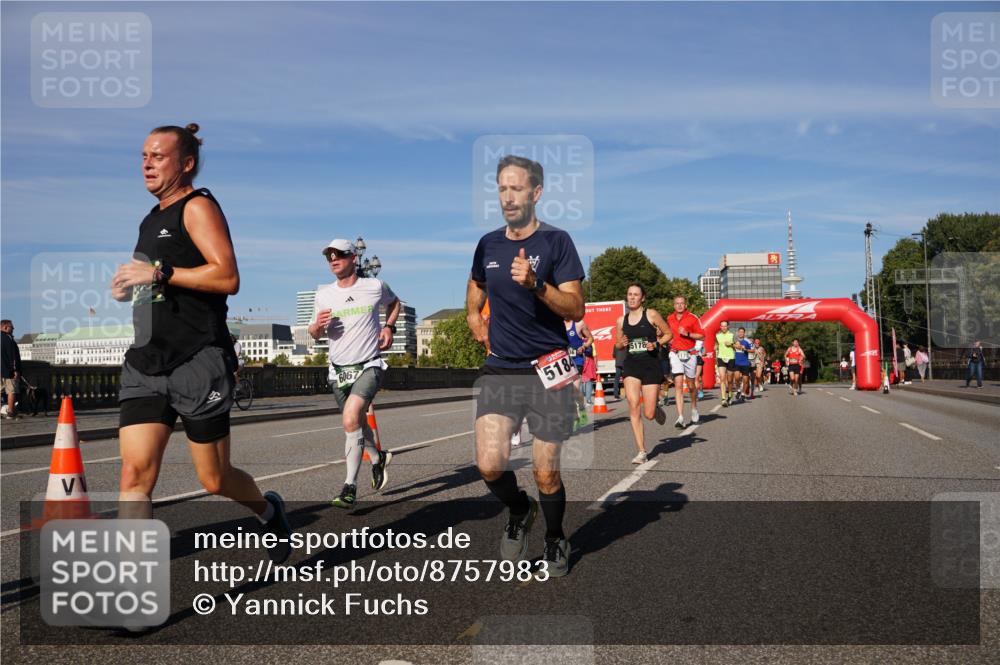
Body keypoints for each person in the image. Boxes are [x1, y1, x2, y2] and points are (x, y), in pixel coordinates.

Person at [109, 123, 291, 562]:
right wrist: (129, 286)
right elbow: (160, 286)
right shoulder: (150, 219)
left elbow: (227, 277)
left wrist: (156, 273)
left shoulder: (197, 207)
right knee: (134, 475)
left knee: (215, 479)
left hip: (197, 361)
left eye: (158, 156)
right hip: (146, 363)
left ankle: (268, 511)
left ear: (186, 163)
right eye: (143, 156)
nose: (147, 164)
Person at [466, 154, 585, 578]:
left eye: (517, 188)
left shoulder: (557, 243)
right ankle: (520, 509)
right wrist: (472, 315)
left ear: (536, 193)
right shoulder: (489, 244)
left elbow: (575, 306)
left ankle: (555, 537)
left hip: (547, 367)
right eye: (502, 189)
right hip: (501, 367)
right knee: (489, 465)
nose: (508, 197)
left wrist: (537, 286)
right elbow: (477, 283)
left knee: (545, 470)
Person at [311, 239, 400, 509]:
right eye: (329, 257)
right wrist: (318, 326)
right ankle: (378, 458)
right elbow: (314, 334)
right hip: (338, 370)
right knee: (357, 424)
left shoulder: (374, 286)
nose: (333, 260)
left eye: (339, 255)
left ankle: (349, 486)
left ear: (353, 258)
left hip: (369, 364)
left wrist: (389, 328)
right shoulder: (324, 294)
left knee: (351, 420)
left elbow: (394, 304)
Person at [614, 284, 672, 464]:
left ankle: (655, 408)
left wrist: (656, 344)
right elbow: (618, 344)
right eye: (629, 294)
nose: (632, 297)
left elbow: (669, 334)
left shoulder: (651, 314)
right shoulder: (620, 320)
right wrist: (621, 343)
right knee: (632, 404)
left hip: (650, 365)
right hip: (631, 365)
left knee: (648, 413)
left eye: (635, 295)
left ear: (642, 298)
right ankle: (642, 451)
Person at [665, 295, 705, 427]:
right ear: (674, 305)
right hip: (675, 353)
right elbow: (667, 334)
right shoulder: (669, 318)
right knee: (678, 384)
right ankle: (680, 417)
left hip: (690, 354)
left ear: (685, 305)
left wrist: (688, 334)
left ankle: (694, 408)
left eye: (682, 303)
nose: (680, 305)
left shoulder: (693, 318)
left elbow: (702, 336)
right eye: (677, 303)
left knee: (691, 385)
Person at [565, 318, 594, 425]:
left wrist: (584, 346)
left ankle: (581, 409)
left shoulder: (579, 324)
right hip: (563, 363)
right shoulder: (556, 325)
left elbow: (591, 338)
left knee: (575, 390)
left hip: (577, 361)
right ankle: (573, 416)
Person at [1, 320, 22, 420]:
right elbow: (12, 356)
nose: (13, 329)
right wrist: (15, 370)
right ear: (5, 327)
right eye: (11, 327)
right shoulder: (8, 339)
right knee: (11, 391)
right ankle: (10, 412)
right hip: (8, 371)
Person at [715, 321, 736, 407]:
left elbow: (738, 346)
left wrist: (731, 344)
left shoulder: (732, 335)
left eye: (725, 326)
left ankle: (730, 395)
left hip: (731, 358)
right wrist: (715, 347)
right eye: (722, 326)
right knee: (722, 378)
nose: (723, 328)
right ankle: (723, 399)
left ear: (728, 327)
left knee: (730, 380)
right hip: (721, 358)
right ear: (720, 327)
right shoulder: (717, 336)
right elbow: (716, 345)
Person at [733, 327, 753, 401]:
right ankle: (738, 390)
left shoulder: (748, 341)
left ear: (744, 333)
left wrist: (746, 349)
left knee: (745, 380)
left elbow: (753, 350)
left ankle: (743, 393)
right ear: (738, 332)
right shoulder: (734, 340)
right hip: (737, 362)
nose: (741, 333)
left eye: (742, 332)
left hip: (745, 363)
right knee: (737, 377)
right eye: (740, 332)